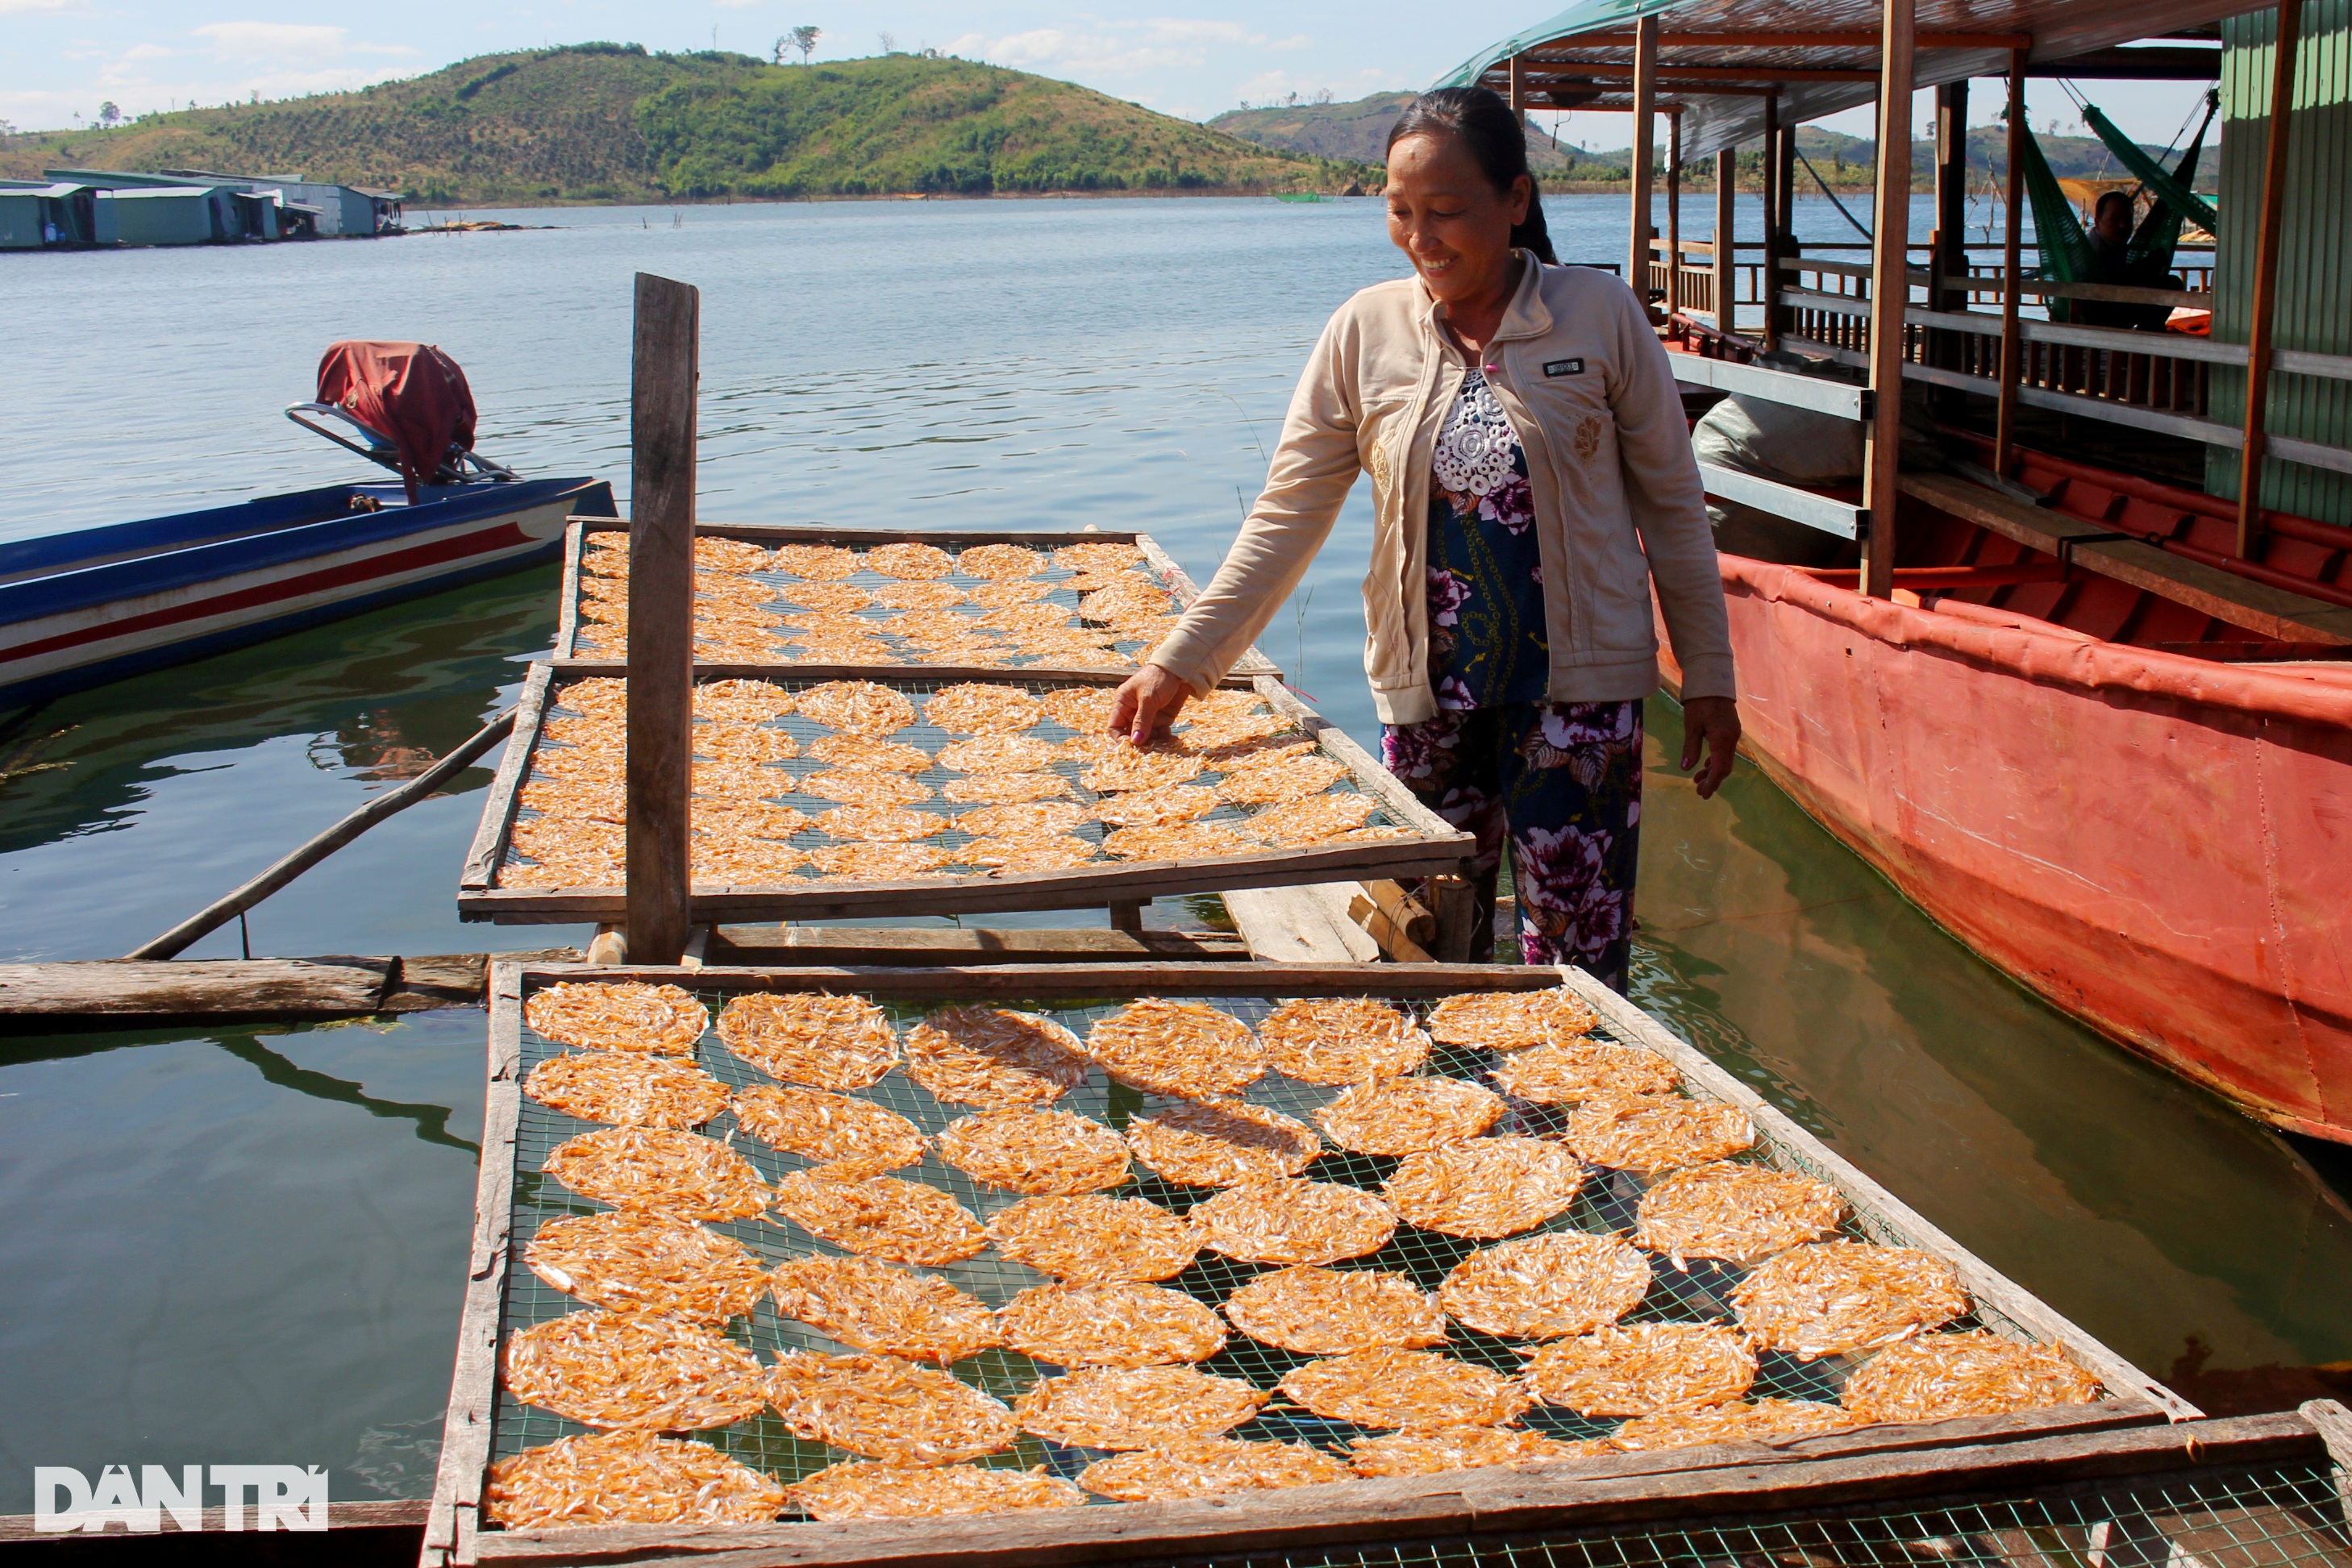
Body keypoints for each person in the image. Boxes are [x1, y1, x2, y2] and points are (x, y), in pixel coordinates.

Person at [1110, 85, 1738, 990]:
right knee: (1424, 941)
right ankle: (1449, 1118)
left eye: (1446, 212)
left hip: (1580, 702)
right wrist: (1182, 661)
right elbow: (1287, 511)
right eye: (1401, 214)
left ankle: (1560, 1127)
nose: (1421, 237)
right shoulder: (1365, 331)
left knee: (1577, 966)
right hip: (1427, 696)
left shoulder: (1598, 315)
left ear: (1515, 202)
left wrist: (1710, 679)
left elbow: (1673, 509)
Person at [2076, 190, 2177, 331]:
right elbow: (2114, 282)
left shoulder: (2113, 246)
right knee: (2171, 285)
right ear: (2098, 222)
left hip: (2109, 309)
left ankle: (2145, 341)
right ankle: (2145, 343)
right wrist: (2148, 265)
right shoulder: (2092, 250)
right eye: (2115, 219)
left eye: (2128, 219)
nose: (2123, 225)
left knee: (2168, 285)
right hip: (2097, 316)